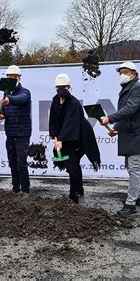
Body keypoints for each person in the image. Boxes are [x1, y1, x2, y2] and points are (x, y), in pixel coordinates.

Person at [100, 61, 140, 216]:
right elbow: (126, 113)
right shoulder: (128, 89)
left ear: (134, 74)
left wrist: (109, 119)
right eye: (120, 72)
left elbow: (130, 109)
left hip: (138, 136)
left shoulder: (138, 89)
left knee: (133, 169)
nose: (122, 75)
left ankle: (130, 204)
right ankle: (139, 197)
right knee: (130, 168)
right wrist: (116, 128)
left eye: (125, 72)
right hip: (131, 135)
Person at [49, 74, 101, 203]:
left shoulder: (74, 103)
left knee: (72, 165)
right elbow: (54, 120)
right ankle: (79, 189)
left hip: (80, 136)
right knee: (73, 164)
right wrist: (55, 135)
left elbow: (70, 123)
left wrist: (61, 139)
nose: (61, 89)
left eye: (64, 87)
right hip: (66, 137)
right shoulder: (55, 101)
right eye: (59, 87)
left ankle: (74, 195)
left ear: (69, 87)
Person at [0, 65, 32, 194]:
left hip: (22, 133)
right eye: (8, 77)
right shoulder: (6, 94)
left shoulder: (25, 92)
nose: (10, 79)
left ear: (19, 78)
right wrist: (1, 115)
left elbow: (22, 100)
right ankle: (16, 188)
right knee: (12, 162)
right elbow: (5, 111)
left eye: (13, 77)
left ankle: (25, 189)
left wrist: (9, 100)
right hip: (10, 133)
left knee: (21, 163)